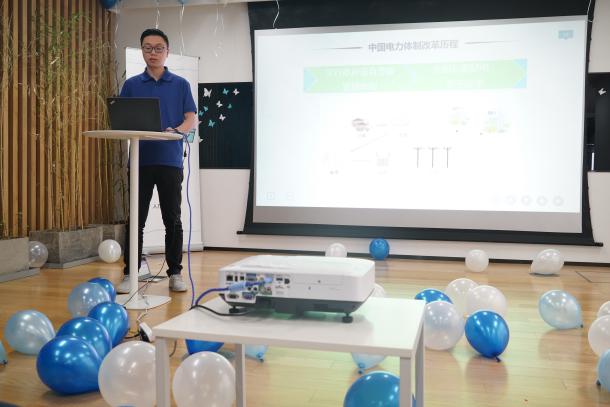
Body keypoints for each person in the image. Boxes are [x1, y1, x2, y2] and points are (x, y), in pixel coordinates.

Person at [116, 28, 197, 294]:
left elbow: (190, 117)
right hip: (140, 160)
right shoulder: (132, 85)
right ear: (142, 51)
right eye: (148, 48)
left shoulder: (181, 84)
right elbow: (122, 118)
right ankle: (130, 273)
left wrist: (177, 131)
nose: (153, 53)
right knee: (135, 220)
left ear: (167, 51)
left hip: (170, 160)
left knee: (172, 219)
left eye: (158, 48)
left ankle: (175, 273)